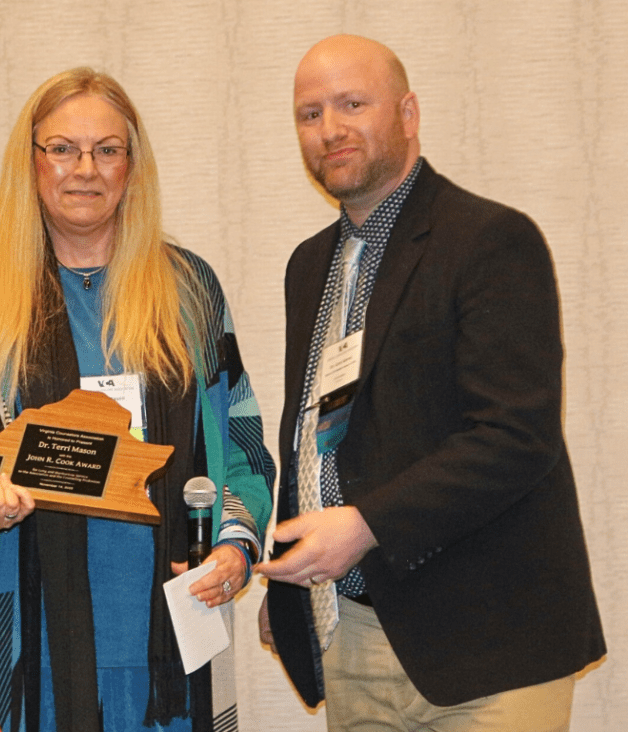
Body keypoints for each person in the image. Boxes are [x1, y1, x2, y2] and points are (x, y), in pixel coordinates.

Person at [256, 35, 606, 731]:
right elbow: (321, 437)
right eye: (310, 113)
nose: (331, 129)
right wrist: (294, 580)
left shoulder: (489, 240)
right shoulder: (308, 266)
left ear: (409, 113)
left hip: (489, 643)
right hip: (352, 632)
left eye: (353, 104)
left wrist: (362, 527)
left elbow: (515, 436)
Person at [0, 67, 274, 732]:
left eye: (107, 149)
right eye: (61, 148)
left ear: (132, 165)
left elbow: (242, 440)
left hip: (175, 624)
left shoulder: (190, 289)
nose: (84, 169)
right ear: (30, 163)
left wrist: (236, 548)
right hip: (33, 622)